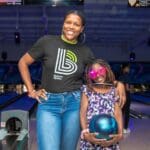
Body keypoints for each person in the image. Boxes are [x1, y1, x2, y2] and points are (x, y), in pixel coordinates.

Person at [18, 10, 125, 150]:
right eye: (68, 22)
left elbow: (99, 74)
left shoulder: (85, 51)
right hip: (49, 105)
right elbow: (23, 62)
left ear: (81, 29)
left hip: (74, 105)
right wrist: (31, 90)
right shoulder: (46, 42)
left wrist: (118, 83)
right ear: (63, 24)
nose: (71, 26)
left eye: (76, 24)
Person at [80, 59, 123, 150]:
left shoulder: (113, 90)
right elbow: (82, 113)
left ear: (106, 70)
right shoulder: (87, 90)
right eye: (93, 73)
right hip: (91, 135)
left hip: (110, 135)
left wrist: (120, 134)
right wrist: (85, 133)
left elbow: (118, 114)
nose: (98, 75)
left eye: (100, 71)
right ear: (89, 76)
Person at [118, 63, 132, 134]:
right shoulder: (127, 76)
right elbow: (127, 88)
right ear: (125, 68)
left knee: (121, 113)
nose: (129, 69)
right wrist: (132, 89)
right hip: (127, 96)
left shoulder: (120, 77)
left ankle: (118, 128)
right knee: (127, 113)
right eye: (128, 68)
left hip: (120, 97)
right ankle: (125, 129)